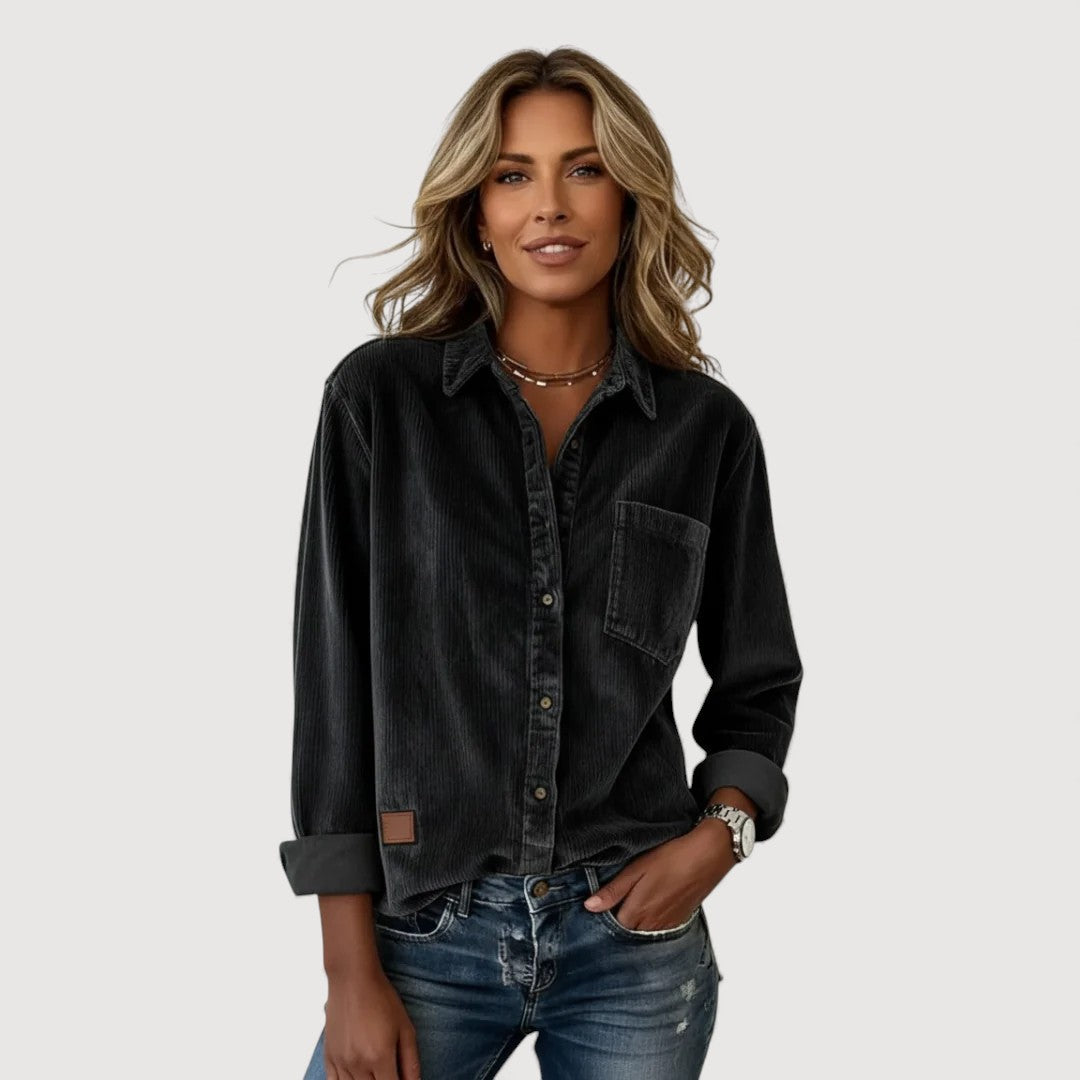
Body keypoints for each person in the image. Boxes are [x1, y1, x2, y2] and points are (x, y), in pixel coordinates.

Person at [279, 46, 803, 1080]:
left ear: (630, 197)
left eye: (585, 169)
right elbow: (335, 695)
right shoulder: (379, 403)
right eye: (514, 174)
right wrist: (348, 970)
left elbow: (759, 679)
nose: (550, 205)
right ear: (476, 210)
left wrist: (719, 840)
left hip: (635, 944)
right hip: (423, 934)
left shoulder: (705, 428)